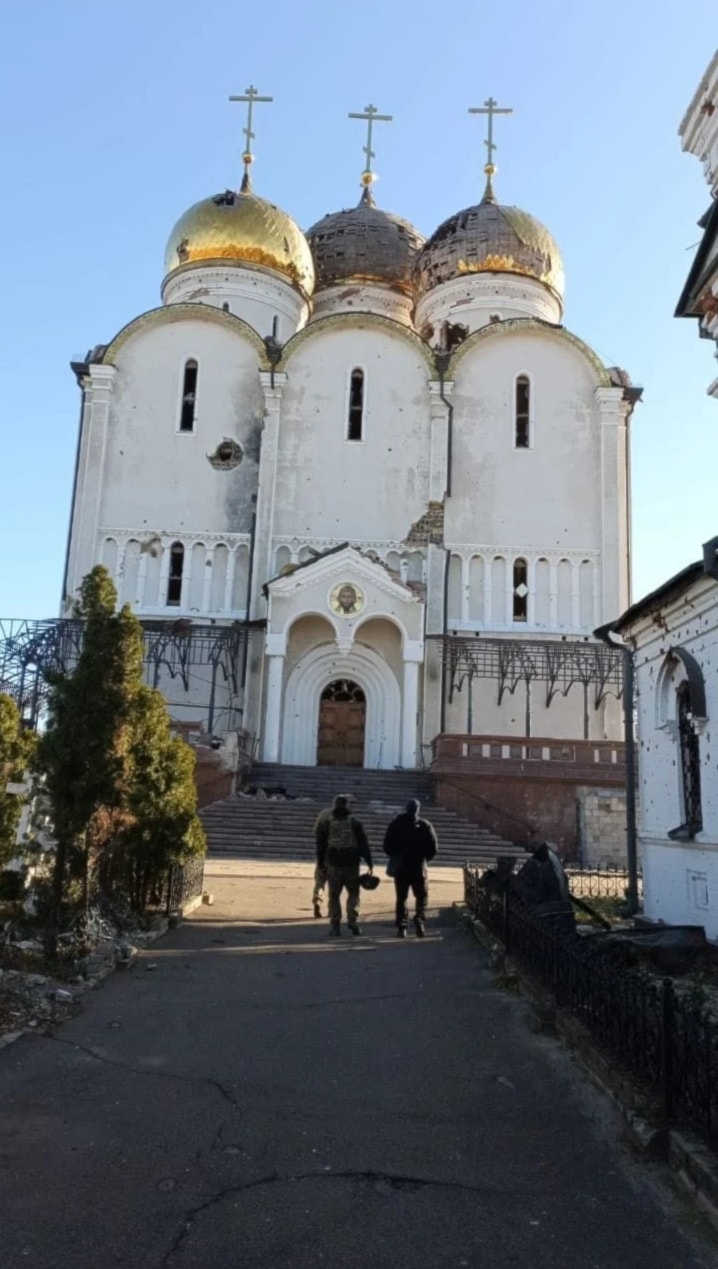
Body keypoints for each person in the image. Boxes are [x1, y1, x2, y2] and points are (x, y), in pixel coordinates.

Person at [315, 794, 373, 936]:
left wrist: (321, 863)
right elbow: (363, 844)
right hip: (352, 864)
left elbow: (320, 845)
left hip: (333, 864)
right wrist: (369, 863)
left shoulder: (326, 823)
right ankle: (352, 921)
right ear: (347, 806)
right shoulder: (355, 822)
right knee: (353, 893)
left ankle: (335, 925)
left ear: (335, 806)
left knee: (334, 895)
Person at [383, 799, 438, 938]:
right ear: (418, 809)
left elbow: (387, 845)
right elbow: (433, 847)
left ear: (406, 808)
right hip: (419, 866)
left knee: (401, 898)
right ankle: (420, 919)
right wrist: (424, 859)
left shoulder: (396, 824)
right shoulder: (425, 825)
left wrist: (396, 856)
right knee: (421, 896)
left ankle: (402, 927)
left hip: (401, 867)